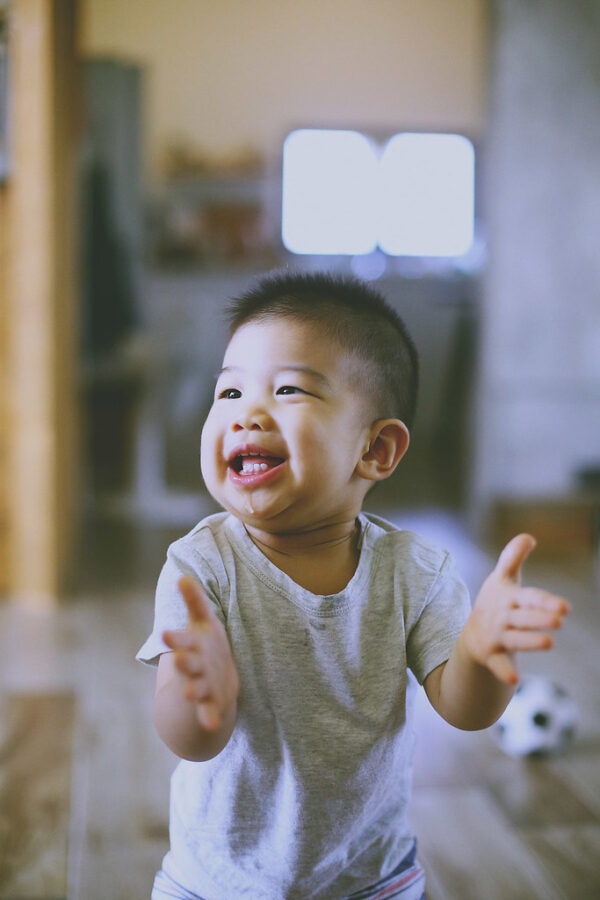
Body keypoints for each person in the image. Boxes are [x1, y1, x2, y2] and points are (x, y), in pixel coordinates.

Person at [137, 271, 570, 900]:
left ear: (376, 450)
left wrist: (479, 652)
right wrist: (202, 695)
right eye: (228, 392)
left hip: (372, 877)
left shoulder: (414, 571)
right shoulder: (201, 567)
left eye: (287, 390)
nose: (245, 414)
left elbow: (466, 711)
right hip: (217, 879)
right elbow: (190, 741)